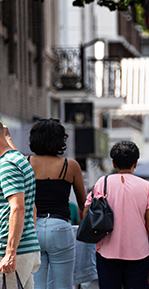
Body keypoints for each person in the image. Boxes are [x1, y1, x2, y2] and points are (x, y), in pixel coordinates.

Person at [85, 141, 149, 289]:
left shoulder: (102, 183)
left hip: (107, 251)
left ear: (113, 163)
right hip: (139, 253)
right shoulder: (147, 187)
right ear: (136, 163)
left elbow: (87, 212)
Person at [27, 118, 86, 289]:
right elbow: (83, 204)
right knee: (63, 285)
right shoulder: (71, 166)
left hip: (33, 228)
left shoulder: (25, 162)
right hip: (60, 227)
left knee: (36, 284)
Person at [0, 122, 41, 289]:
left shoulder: (7, 165)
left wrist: (10, 253)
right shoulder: (18, 160)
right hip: (23, 248)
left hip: (11, 251)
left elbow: (18, 208)